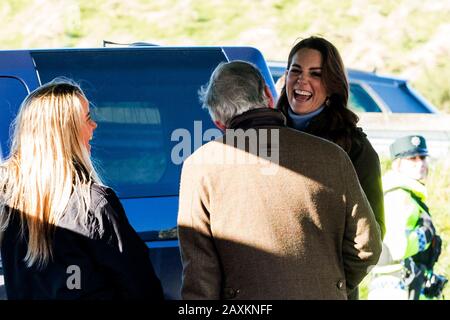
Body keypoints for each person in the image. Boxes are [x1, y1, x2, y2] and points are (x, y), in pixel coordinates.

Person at [177, 60, 382, 300]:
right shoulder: (332, 156)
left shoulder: (199, 166)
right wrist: (329, 286)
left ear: (219, 122)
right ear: (268, 95)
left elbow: (200, 277)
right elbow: (367, 246)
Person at [0, 78, 164, 300]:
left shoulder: (8, 197)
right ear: (67, 133)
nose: (94, 125)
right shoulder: (93, 202)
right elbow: (142, 285)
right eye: (87, 119)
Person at [275, 37, 385, 299]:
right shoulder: (262, 136)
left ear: (332, 85)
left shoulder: (355, 149)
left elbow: (372, 235)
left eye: (316, 74)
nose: (302, 80)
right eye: (296, 70)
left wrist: (331, 284)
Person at [368, 135, 447, 300]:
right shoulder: (398, 195)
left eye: (423, 157)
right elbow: (398, 247)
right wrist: (425, 236)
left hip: (405, 285)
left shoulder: (409, 194)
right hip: (396, 289)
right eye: (412, 159)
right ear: (397, 164)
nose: (420, 164)